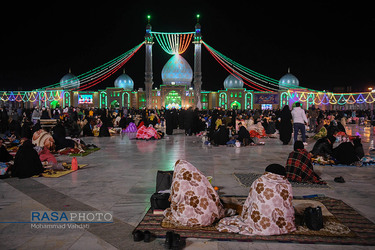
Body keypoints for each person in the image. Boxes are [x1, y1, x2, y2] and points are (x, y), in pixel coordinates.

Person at [217, 164, 296, 235]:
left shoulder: (259, 182)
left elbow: (249, 202)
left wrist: (244, 215)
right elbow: (288, 205)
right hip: (283, 226)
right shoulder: (287, 185)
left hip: (259, 223)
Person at [163, 160, 225, 227]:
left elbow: (174, 201)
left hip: (188, 219)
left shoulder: (177, 183)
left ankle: (189, 218)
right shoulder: (198, 178)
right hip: (207, 219)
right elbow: (212, 193)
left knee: (169, 211)